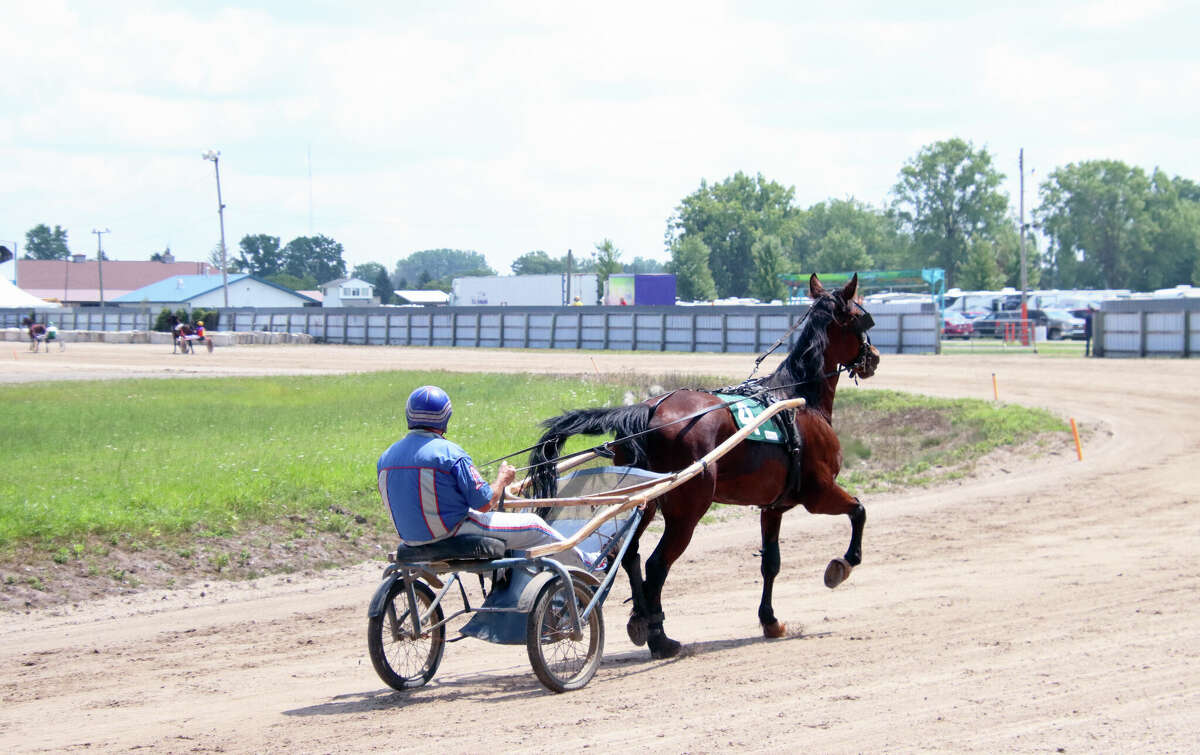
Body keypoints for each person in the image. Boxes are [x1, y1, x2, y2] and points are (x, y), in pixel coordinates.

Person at [377, 385, 597, 569]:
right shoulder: (450, 454)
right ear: (445, 418)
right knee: (535, 525)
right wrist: (503, 479)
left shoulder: (385, 457)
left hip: (410, 538)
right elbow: (484, 503)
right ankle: (588, 563)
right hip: (451, 533)